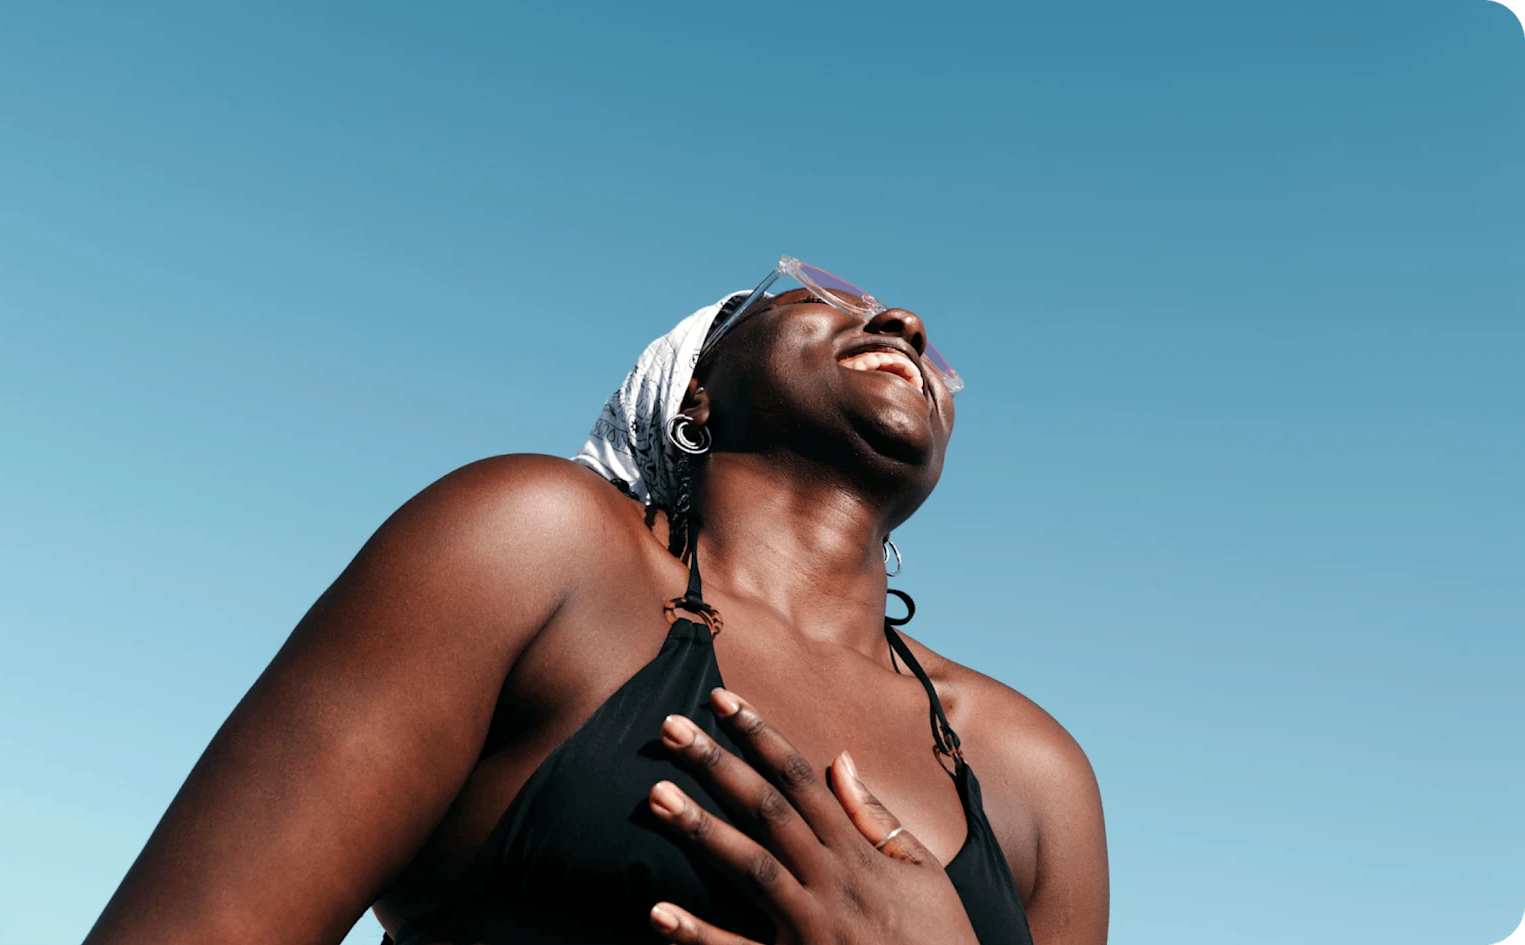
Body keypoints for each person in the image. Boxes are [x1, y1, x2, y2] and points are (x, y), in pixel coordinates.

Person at [82, 257, 1110, 945]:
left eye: (928, 352)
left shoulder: (1032, 772)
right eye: (812, 293)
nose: (903, 323)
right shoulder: (538, 551)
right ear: (693, 393)